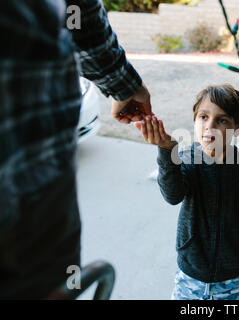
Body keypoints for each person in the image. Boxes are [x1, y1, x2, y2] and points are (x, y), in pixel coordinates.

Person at [0, 0, 151, 299]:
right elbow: (79, 15)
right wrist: (123, 83)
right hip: (34, 227)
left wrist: (123, 84)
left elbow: (77, 15)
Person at [134, 84, 239, 300]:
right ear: (194, 120)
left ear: (237, 129)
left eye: (222, 120)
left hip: (233, 279)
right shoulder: (188, 159)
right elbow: (172, 196)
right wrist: (166, 150)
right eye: (203, 117)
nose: (210, 126)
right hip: (191, 276)